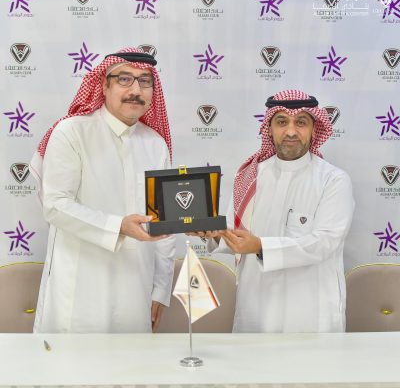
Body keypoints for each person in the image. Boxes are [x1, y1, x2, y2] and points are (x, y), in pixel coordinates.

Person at [30, 47, 175, 333]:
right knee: (75, 359)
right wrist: (118, 226)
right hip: (81, 283)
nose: (136, 90)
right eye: (124, 79)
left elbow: (164, 224)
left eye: (145, 81)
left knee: (131, 360)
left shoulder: (155, 144)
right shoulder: (72, 131)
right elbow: (55, 205)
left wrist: (160, 289)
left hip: (136, 285)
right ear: (104, 85)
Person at [195, 89, 354, 333]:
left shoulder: (333, 180)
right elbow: (236, 235)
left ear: (314, 129)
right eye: (281, 122)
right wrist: (215, 234)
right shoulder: (250, 176)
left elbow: (324, 243)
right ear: (268, 128)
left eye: (301, 122)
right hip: (256, 307)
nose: (291, 131)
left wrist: (260, 246)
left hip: (310, 312)